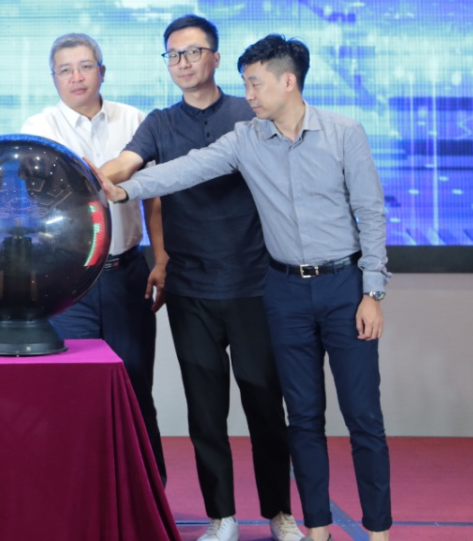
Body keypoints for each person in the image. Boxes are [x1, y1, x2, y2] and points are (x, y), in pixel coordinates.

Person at [91, 35, 392, 541]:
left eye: (256, 83)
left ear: (287, 81)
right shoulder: (244, 138)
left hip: (342, 286)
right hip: (283, 292)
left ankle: (375, 530)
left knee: (362, 416)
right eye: (246, 84)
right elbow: (185, 170)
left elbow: (371, 213)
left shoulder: (345, 133)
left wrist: (373, 291)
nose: (248, 94)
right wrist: (122, 190)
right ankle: (316, 528)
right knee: (303, 417)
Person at [99, 16, 302, 541]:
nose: (183, 63)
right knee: (205, 410)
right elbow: (126, 164)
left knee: (264, 403)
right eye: (173, 55)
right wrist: (92, 177)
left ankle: (279, 513)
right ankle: (221, 517)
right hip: (189, 287)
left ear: (215, 57)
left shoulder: (249, 112)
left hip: (255, 283)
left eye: (193, 52)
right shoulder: (160, 123)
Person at [20, 32, 166, 484]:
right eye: (65, 70)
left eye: (85, 66)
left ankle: (147, 492)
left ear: (102, 71)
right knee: (71, 390)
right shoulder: (38, 128)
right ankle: (76, 494)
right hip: (67, 281)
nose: (76, 77)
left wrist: (162, 259)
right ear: (53, 78)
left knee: (134, 384)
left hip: (127, 274)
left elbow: (155, 198)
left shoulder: (134, 121)